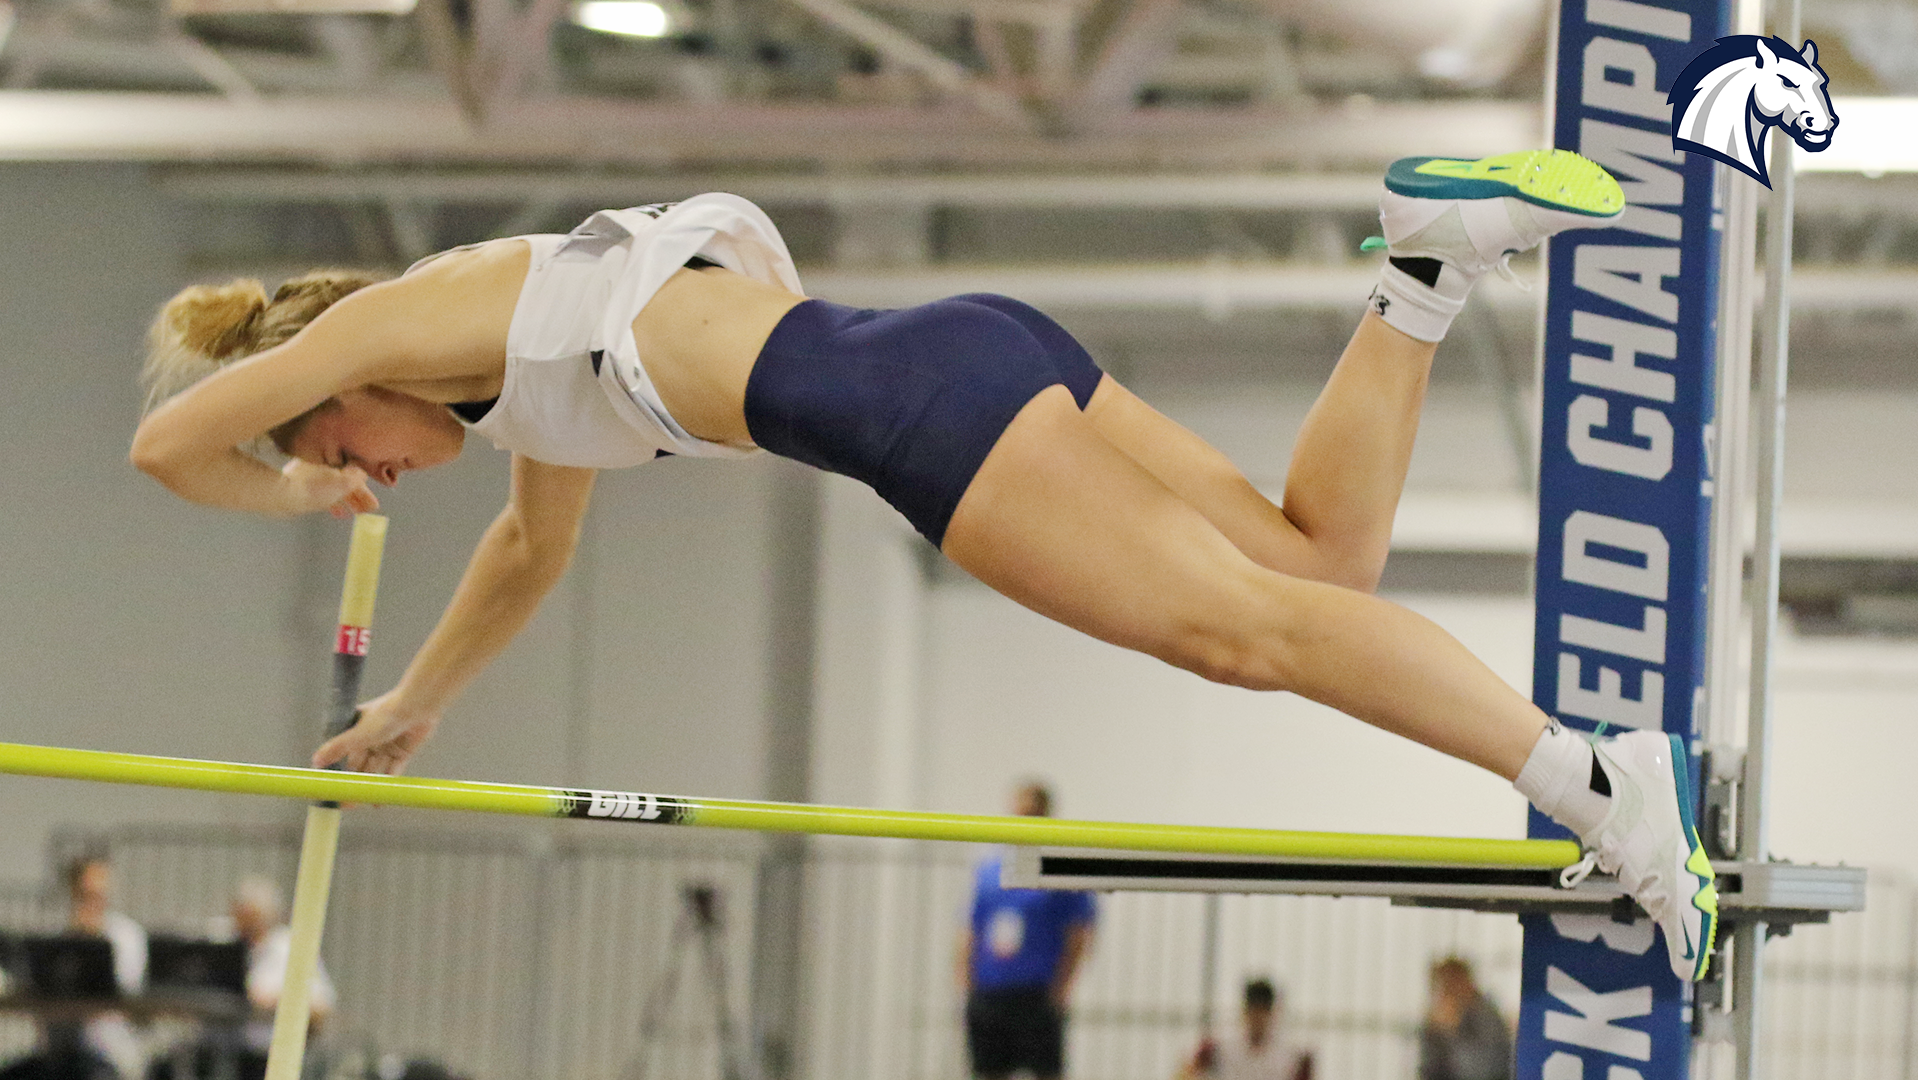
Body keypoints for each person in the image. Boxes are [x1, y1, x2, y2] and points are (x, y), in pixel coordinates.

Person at [128, 149, 1714, 983]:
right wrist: (413, 698)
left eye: (340, 447)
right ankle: (1422, 273)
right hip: (956, 353)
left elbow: (168, 450)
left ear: (328, 376)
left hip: (907, 410)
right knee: (1320, 565)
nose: (363, 476)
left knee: (1248, 634)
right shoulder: (518, 365)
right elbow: (530, 554)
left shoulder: (397, 318)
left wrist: (291, 507)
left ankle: (1597, 783)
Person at [958, 782, 1094, 1080]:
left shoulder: (1060, 868)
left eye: (1031, 814)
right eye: (1019, 814)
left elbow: (1079, 933)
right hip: (990, 991)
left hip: (1037, 992)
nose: (1023, 821)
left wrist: (1062, 988)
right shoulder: (991, 869)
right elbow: (971, 929)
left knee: (1045, 1071)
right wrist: (967, 987)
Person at [0, 855, 149, 1080]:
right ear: (73, 893)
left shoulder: (125, 937)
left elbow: (125, 992)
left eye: (100, 894)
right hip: (55, 1057)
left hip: (107, 1056)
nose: (94, 902)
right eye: (86, 895)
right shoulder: (53, 939)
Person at [229, 876, 335, 1080]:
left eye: (250, 917)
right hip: (220, 1051)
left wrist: (272, 1000)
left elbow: (321, 1007)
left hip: (267, 1055)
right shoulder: (224, 942)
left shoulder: (289, 948)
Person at [1176, 978, 1310, 1080]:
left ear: (1272, 1013)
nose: (1257, 1018)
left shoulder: (1292, 1053)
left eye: (1262, 1011)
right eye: (1253, 1010)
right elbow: (1187, 1072)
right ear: (1245, 1011)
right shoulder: (1219, 1046)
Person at [1417, 957, 1510, 1080]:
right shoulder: (1439, 1019)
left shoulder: (1485, 1016)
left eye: (1450, 984)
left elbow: (1480, 1071)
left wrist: (1451, 1032)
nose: (1445, 992)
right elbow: (1428, 1068)